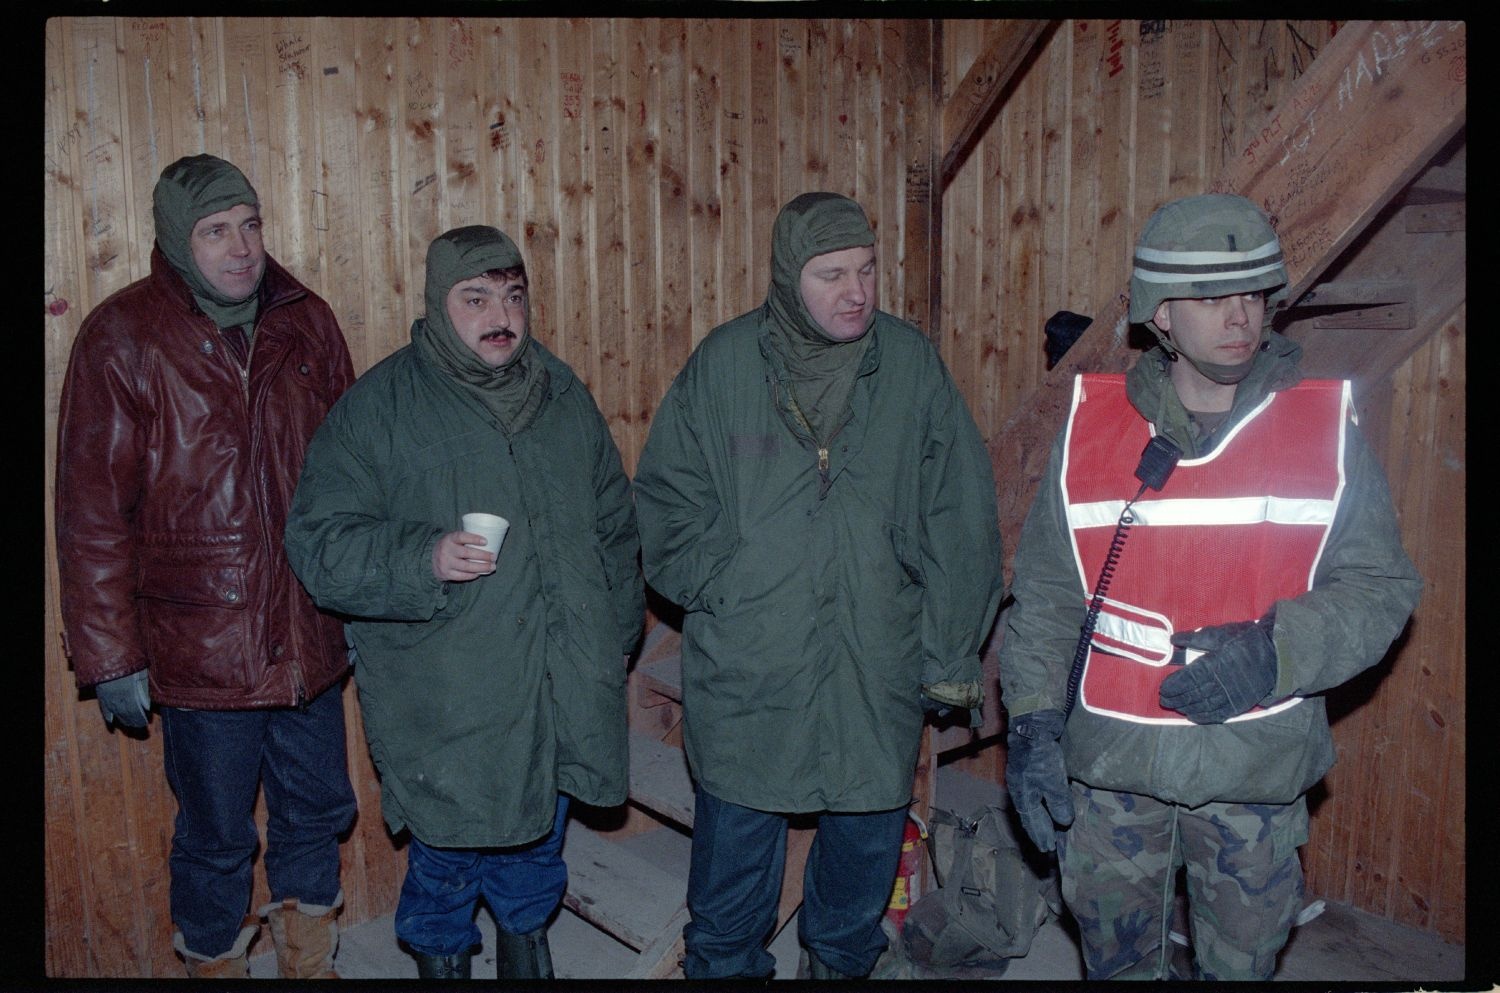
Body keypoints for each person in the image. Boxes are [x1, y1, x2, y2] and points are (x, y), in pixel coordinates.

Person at [998, 193, 1423, 980]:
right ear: (1160, 316)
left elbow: (1380, 585)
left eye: (1254, 294)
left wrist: (1275, 652)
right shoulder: (1092, 427)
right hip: (1113, 778)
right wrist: (1029, 726)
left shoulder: (1322, 427)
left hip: (1251, 780)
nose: (1240, 315)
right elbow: (1050, 599)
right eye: (1211, 297)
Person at [633, 192, 1003, 980]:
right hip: (750, 666)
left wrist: (947, 647)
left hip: (876, 661)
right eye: (831, 273)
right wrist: (727, 580)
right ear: (786, 278)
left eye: (867, 269)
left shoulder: (910, 367)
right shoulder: (725, 364)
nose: (856, 291)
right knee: (730, 896)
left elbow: (961, 515)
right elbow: (664, 504)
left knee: (857, 885)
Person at [284, 225, 643, 980]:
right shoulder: (378, 408)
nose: (500, 315)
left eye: (512, 296)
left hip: (560, 667)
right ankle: (440, 955)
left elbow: (614, 521)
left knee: (543, 824)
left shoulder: (562, 393)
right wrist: (424, 555)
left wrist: (615, 631)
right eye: (475, 298)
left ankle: (526, 942)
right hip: (449, 682)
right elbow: (319, 543)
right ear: (437, 304)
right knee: (450, 844)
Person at [54, 154, 357, 979]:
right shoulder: (123, 335)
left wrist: (356, 602)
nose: (241, 247)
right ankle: (216, 965)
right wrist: (111, 655)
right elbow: (90, 514)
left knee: (317, 812)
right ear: (177, 241)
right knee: (217, 834)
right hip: (201, 648)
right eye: (216, 230)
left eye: (250, 225)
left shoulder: (309, 322)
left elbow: (355, 480)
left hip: (306, 631)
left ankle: (309, 962)